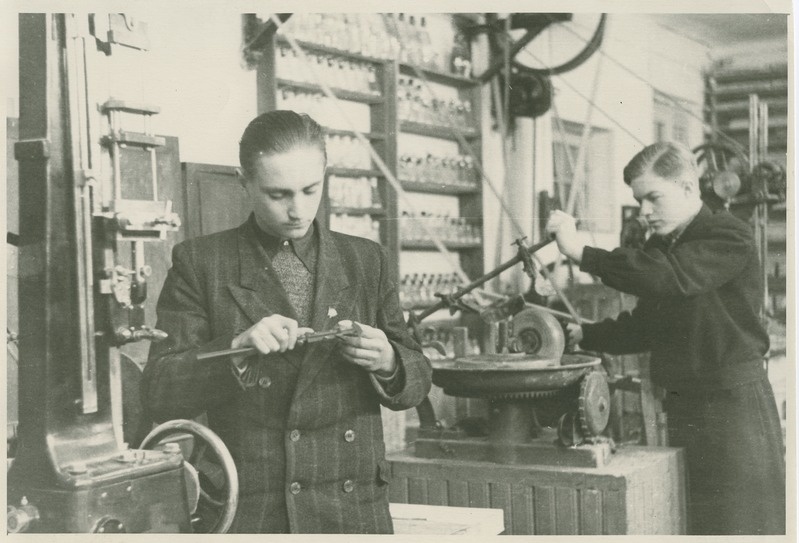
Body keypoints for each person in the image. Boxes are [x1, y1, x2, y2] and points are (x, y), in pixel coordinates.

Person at [142, 110, 432, 533]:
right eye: (278, 194)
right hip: (258, 510)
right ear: (244, 182)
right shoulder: (202, 263)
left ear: (325, 174)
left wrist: (388, 359)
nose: (298, 210)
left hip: (351, 512)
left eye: (310, 190)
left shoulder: (366, 260)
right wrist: (236, 350)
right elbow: (159, 391)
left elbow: (419, 377)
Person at [545, 141, 784, 535]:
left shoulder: (727, 234)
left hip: (732, 409)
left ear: (689, 187)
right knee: (693, 523)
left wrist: (580, 252)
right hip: (684, 405)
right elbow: (649, 325)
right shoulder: (663, 245)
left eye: (653, 198)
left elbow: (670, 277)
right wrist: (586, 333)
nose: (644, 212)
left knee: (741, 526)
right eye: (640, 201)